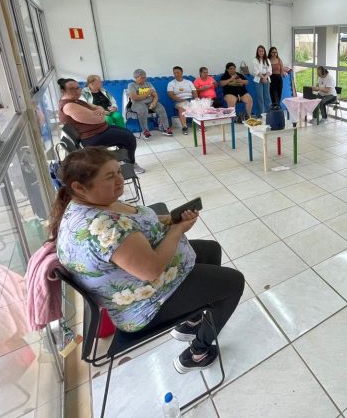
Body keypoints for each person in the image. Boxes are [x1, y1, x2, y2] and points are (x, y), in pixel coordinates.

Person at [50, 147, 245, 373]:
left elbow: (138, 221)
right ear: (79, 187)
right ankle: (198, 353)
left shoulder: (92, 202)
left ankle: (192, 320)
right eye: (110, 177)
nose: (120, 180)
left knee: (211, 250)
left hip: (143, 281)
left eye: (119, 172)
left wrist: (171, 220)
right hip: (143, 306)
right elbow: (152, 270)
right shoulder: (103, 229)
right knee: (234, 283)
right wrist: (177, 230)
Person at [58, 78, 144, 174]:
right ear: (63, 90)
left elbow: (98, 107)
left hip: (100, 130)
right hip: (92, 137)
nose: (77, 91)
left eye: (78, 87)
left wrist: (99, 111)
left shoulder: (76, 100)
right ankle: (131, 164)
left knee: (127, 133)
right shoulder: (69, 106)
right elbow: (99, 119)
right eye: (72, 89)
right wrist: (100, 113)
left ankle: (126, 160)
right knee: (129, 138)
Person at [127, 69, 172, 139]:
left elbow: (155, 95)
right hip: (137, 103)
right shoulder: (131, 85)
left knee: (161, 108)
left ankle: (166, 128)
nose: (144, 79)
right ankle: (145, 131)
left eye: (145, 77)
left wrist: (154, 103)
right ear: (136, 77)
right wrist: (147, 93)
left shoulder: (148, 84)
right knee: (142, 109)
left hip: (150, 102)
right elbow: (134, 97)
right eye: (142, 77)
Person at [167, 66, 197, 135]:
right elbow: (170, 94)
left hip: (190, 99)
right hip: (178, 100)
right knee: (181, 107)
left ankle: (200, 124)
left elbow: (194, 91)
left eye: (178, 72)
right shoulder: (171, 83)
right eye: (174, 73)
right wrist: (181, 100)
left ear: (182, 73)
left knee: (197, 106)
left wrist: (196, 100)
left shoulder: (188, 82)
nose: (176, 74)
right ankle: (184, 126)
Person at [252, 45, 271, 116]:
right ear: (257, 52)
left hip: (266, 78)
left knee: (267, 97)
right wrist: (263, 77)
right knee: (260, 97)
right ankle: (261, 114)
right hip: (258, 79)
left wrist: (265, 77)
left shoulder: (267, 60)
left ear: (264, 52)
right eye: (259, 51)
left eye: (262, 51)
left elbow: (269, 70)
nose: (261, 52)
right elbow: (256, 71)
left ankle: (268, 113)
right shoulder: (255, 60)